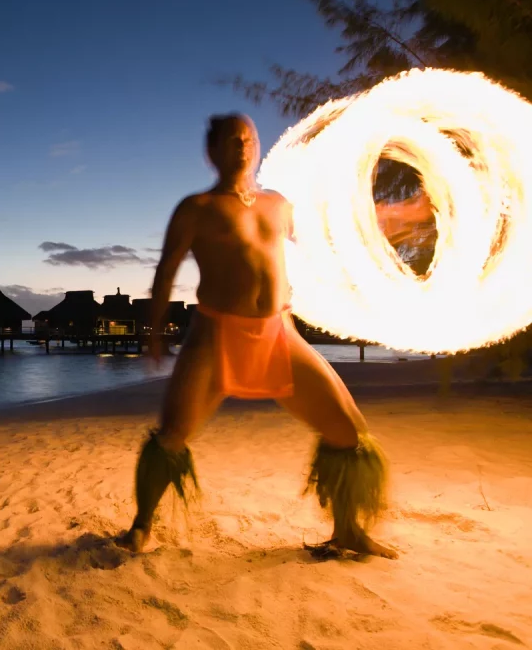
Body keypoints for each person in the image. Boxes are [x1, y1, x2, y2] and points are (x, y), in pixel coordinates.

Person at [116, 113, 398, 559]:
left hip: (279, 335)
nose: (242, 146)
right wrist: (153, 334)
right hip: (214, 336)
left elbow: (332, 237)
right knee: (170, 437)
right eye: (232, 140)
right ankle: (140, 528)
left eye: (248, 138)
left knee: (348, 431)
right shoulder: (197, 209)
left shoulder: (278, 204)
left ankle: (347, 530)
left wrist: (398, 216)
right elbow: (165, 270)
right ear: (212, 152)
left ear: (259, 146)